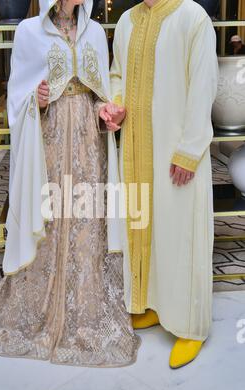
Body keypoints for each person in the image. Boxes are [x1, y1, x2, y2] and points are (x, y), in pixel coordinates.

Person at [0, 0, 140, 368]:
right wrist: (37, 101)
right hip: (51, 142)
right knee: (53, 218)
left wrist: (105, 111)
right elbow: (18, 98)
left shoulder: (94, 32)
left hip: (90, 143)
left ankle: (87, 307)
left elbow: (99, 91)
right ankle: (40, 307)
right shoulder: (29, 33)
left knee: (88, 223)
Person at [102, 0, 219, 369]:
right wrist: (115, 104)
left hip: (177, 153)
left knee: (181, 234)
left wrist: (189, 150)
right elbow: (117, 73)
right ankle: (152, 304)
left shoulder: (192, 17)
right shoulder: (126, 21)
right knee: (145, 229)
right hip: (136, 151)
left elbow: (204, 85)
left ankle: (190, 325)